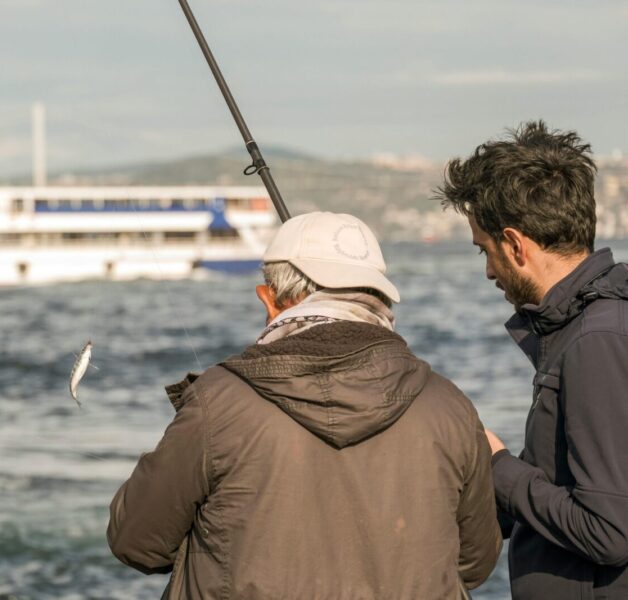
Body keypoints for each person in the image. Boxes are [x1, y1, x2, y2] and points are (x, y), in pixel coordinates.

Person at [107, 212, 501, 599]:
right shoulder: (451, 407)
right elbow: (475, 562)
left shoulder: (218, 403)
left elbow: (137, 541)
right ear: (380, 300)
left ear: (270, 300)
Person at [437, 121, 628, 599]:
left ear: (516, 244)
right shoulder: (590, 325)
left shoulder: (596, 339)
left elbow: (609, 531)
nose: (487, 271)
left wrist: (497, 464)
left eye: (486, 250)